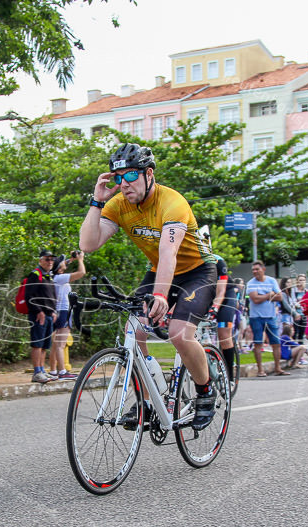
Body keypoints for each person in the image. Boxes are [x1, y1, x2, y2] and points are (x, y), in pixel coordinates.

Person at [79, 143, 219, 429]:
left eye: (131, 175)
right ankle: (146, 398)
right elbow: (88, 244)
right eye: (118, 178)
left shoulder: (172, 202)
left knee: (180, 334)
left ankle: (205, 391)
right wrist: (97, 201)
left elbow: (169, 254)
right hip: (159, 270)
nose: (124, 184)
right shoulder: (118, 204)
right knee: (135, 329)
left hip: (197, 271)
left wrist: (160, 295)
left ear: (149, 174)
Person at [245, 261, 288, 377]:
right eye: (253, 270)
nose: (255, 272)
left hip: (270, 316)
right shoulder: (251, 283)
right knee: (258, 343)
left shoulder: (272, 280)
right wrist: (269, 295)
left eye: (257, 269)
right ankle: (260, 370)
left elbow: (280, 296)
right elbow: (255, 299)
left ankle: (278, 368)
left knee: (276, 343)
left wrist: (263, 296)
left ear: (263, 269)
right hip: (256, 317)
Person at [48, 251, 86, 380]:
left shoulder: (54, 276)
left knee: (55, 343)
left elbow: (61, 265)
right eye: (64, 262)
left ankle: (53, 370)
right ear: (59, 267)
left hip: (58, 311)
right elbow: (81, 273)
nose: (66, 263)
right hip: (64, 311)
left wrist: (71, 259)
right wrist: (80, 260)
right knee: (60, 344)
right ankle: (62, 372)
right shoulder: (60, 278)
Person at [206, 240, 240, 383]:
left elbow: (221, 293)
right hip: (207, 295)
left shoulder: (218, 261)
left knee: (224, 333)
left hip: (226, 295)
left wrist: (214, 309)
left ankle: (229, 377)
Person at [24, 250, 58, 383]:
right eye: (47, 259)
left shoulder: (48, 276)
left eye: (52, 259)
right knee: (37, 344)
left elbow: (51, 296)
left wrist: (53, 311)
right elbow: (29, 296)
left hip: (49, 315)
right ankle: (36, 371)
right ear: (40, 260)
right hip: (39, 316)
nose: (50, 262)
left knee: (45, 345)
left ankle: (42, 370)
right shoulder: (35, 275)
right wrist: (39, 311)